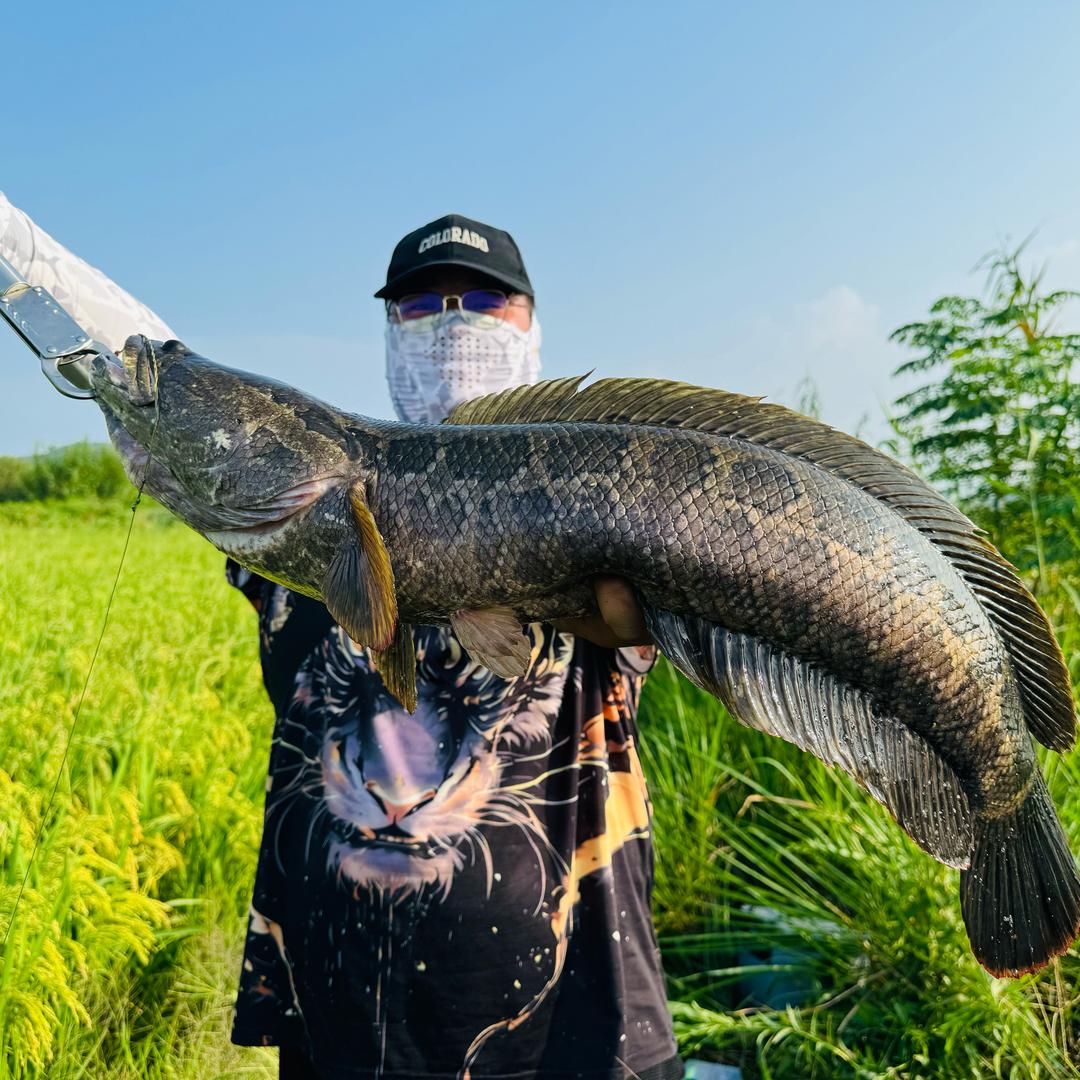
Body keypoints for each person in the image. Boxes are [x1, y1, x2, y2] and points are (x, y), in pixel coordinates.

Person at [0, 197, 683, 1080]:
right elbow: (151, 369)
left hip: (582, 1028)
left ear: (530, 327)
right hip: (341, 1031)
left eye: (481, 301)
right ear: (388, 327)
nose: (449, 322)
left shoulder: (593, 495)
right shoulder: (297, 502)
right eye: (419, 303)